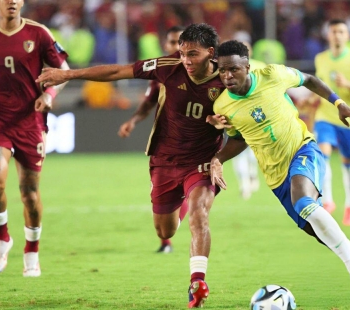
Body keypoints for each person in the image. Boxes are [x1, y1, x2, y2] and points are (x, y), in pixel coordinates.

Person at [37, 23, 225, 308]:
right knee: (166, 231)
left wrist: (225, 142)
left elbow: (247, 116)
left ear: (211, 53)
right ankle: (182, 202)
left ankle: (197, 283)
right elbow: (117, 72)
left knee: (200, 215)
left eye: (193, 54)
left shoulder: (227, 80)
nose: (185, 60)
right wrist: (68, 74)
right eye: (183, 53)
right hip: (164, 159)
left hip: (202, 162)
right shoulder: (167, 66)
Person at [208, 40, 350, 292]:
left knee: (304, 202)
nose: (228, 76)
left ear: (248, 66)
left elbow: (308, 79)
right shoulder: (222, 105)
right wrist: (218, 159)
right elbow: (240, 138)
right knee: (312, 227)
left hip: (302, 148)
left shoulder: (272, 75)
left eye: (234, 69)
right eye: (222, 70)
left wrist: (339, 103)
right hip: (275, 175)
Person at [0, 0, 69, 277]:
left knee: (29, 194)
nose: (12, 2)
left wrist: (48, 94)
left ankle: (32, 250)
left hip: (30, 120)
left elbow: (64, 71)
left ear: (22, 2)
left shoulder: (39, 33)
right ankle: (2, 237)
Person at [118, 25, 185, 253]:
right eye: (173, 42)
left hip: (194, 146)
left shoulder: (201, 70)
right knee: (162, 201)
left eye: (180, 42)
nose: (176, 47)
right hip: (166, 146)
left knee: (194, 194)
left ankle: (178, 245)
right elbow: (148, 103)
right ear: (166, 44)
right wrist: (133, 121)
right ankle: (167, 238)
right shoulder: (161, 71)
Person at [311, 19, 350, 225]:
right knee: (322, 155)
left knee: (348, 164)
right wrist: (309, 99)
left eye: (341, 31)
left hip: (349, 119)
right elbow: (322, 89)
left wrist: (348, 84)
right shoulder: (320, 59)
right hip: (325, 117)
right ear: (328, 35)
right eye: (334, 31)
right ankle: (328, 201)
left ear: (347, 36)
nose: (337, 35)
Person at [230, 41, 265, 200]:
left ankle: (252, 173)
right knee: (237, 151)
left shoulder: (260, 66)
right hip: (237, 114)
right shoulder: (228, 70)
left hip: (257, 114)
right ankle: (244, 184)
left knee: (253, 151)